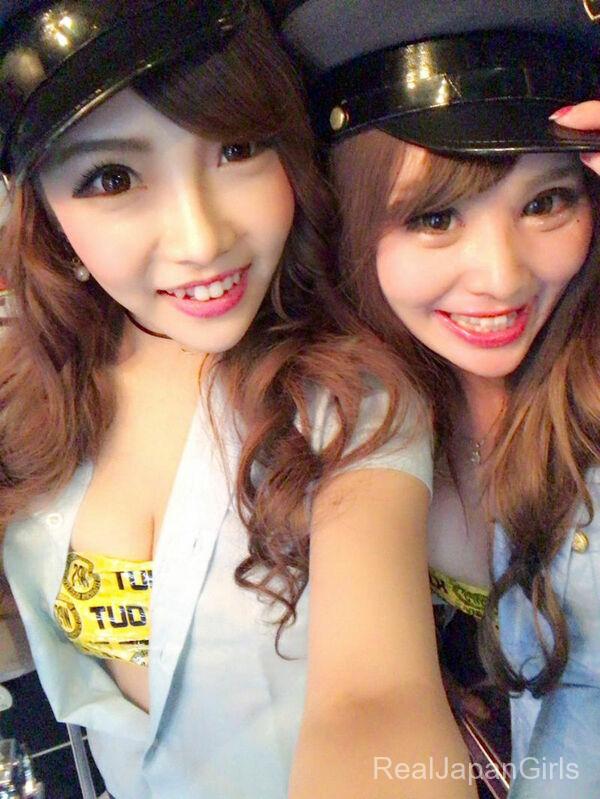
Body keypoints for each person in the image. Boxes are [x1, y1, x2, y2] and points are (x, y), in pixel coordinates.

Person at [0, 2, 474, 798]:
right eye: (113, 178)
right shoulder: (30, 387)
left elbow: (376, 697)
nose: (202, 238)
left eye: (238, 148)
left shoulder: (350, 399)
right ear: (44, 210)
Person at [280, 1, 600, 796]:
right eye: (435, 217)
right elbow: (366, 700)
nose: (503, 275)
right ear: (352, 220)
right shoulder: (358, 399)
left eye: (546, 203)